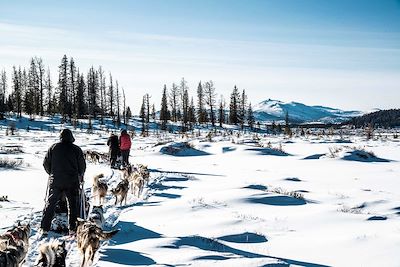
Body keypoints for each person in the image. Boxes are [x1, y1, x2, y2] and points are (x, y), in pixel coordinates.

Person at [40, 129, 86, 237]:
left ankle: (44, 228)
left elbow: (45, 163)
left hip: (56, 180)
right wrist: (80, 174)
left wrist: (51, 173)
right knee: (73, 205)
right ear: (71, 137)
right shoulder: (76, 149)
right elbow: (82, 166)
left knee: (51, 203)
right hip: (72, 180)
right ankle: (73, 229)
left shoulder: (53, 148)